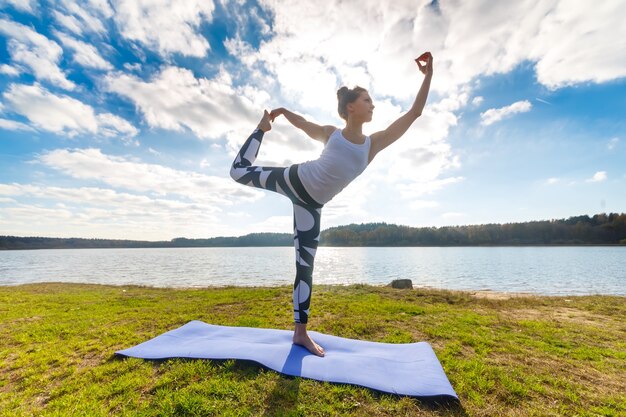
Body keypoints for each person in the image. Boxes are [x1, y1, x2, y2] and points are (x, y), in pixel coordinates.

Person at [230, 52, 433, 357]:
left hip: (312, 206)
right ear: (351, 107)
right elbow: (304, 124)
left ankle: (300, 334)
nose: (373, 105)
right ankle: (260, 130)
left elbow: (414, 113)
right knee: (238, 172)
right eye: (368, 100)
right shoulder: (331, 134)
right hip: (295, 179)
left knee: (305, 268)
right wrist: (282, 113)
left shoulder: (372, 145)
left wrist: (428, 75)